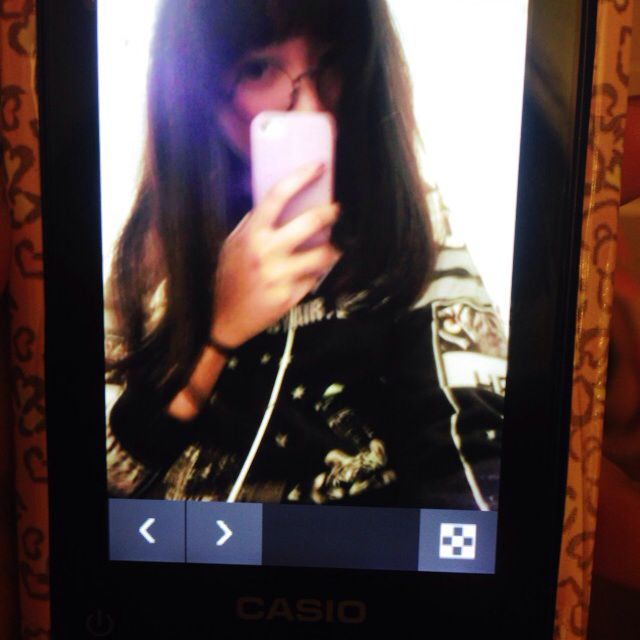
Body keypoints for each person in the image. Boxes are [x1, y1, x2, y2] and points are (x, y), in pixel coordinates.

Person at [105, 0, 505, 508]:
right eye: (258, 68)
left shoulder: (411, 227)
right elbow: (108, 479)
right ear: (198, 92)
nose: (312, 110)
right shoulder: (154, 250)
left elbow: (471, 437)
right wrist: (216, 331)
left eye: (332, 60)